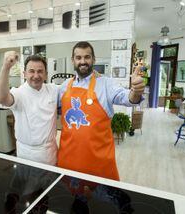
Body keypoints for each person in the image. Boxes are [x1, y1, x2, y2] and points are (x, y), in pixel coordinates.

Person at [57, 41, 145, 180]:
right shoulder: (63, 87)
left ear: (93, 59)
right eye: (78, 58)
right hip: (68, 161)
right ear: (73, 60)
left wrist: (136, 91)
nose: (83, 61)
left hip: (98, 164)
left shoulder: (106, 84)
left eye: (87, 57)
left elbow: (126, 98)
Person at [0, 52, 58, 165]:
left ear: (46, 74)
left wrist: (94, 77)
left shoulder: (53, 90)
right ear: (24, 74)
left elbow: (73, 87)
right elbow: (2, 98)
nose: (36, 76)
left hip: (50, 153)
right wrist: (6, 67)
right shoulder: (19, 92)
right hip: (26, 153)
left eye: (40, 71)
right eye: (31, 71)